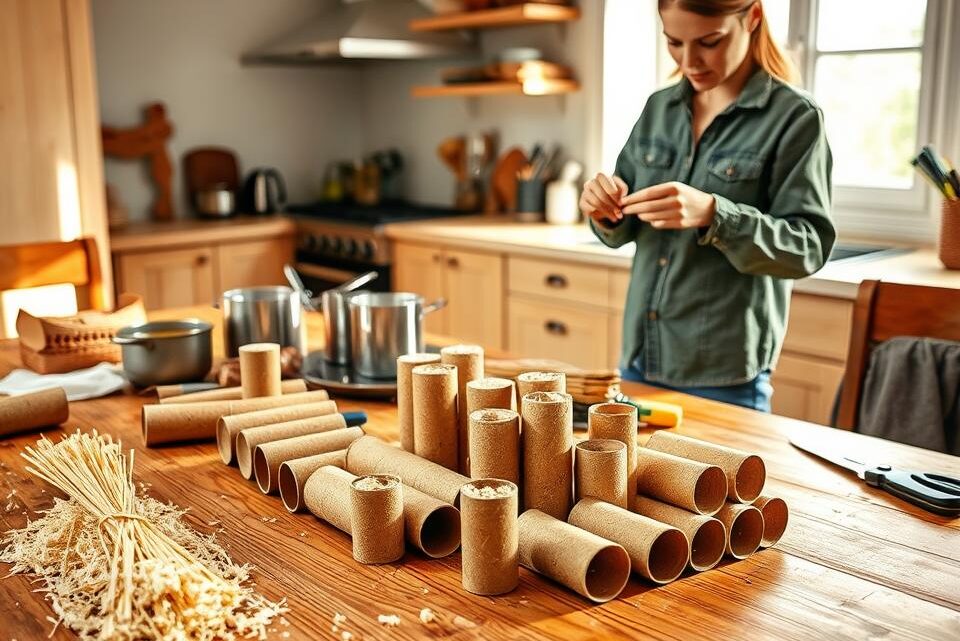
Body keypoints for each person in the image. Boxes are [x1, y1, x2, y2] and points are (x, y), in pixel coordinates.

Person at [582, 0, 835, 412]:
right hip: (639, 359)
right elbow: (622, 224)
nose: (689, 60)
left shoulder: (796, 118)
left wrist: (715, 215)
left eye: (709, 42)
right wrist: (602, 209)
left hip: (724, 375)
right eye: (674, 42)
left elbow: (808, 247)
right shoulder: (657, 108)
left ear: (752, 19)